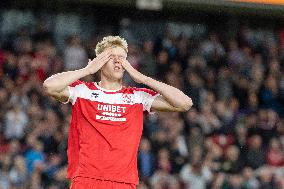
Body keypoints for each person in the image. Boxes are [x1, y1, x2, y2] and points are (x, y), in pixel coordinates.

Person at [43, 36, 193, 189]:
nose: (118, 61)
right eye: (111, 57)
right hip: (86, 179)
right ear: (100, 62)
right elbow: (49, 86)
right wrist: (87, 70)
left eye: (122, 57)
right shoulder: (82, 91)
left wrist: (143, 78)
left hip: (124, 182)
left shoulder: (137, 96)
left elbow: (185, 103)